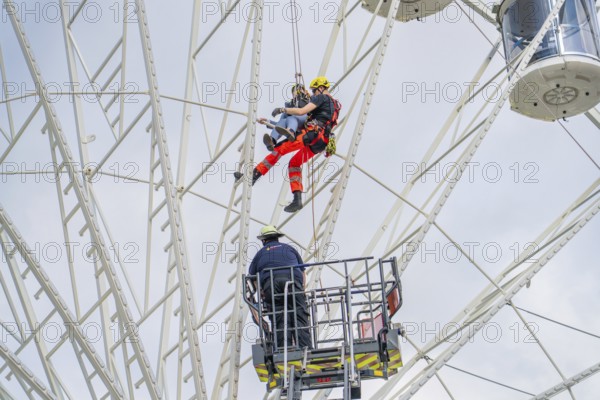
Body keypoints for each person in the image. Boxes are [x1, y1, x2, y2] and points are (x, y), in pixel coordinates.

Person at [237, 76, 341, 213]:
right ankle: (297, 199)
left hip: (311, 135)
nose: (313, 94)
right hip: (321, 142)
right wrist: (269, 123)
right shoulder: (336, 104)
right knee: (294, 164)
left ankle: (253, 177)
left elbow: (301, 112)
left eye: (314, 91)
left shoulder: (321, 98)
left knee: (278, 150)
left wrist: (282, 110)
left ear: (321, 88)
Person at [248, 225, 312, 350]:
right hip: (293, 281)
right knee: (299, 315)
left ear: (263, 240)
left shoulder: (260, 254)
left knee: (279, 319)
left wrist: (261, 291)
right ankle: (306, 349)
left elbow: (253, 277)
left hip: (271, 285)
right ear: (277, 238)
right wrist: (302, 291)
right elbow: (303, 272)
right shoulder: (289, 249)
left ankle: (283, 350)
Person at [257, 84, 310, 151]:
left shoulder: (310, 101)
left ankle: (290, 131)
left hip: (305, 118)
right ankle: (272, 140)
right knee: (283, 121)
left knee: (292, 117)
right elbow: (280, 126)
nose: (297, 92)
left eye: (299, 90)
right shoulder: (289, 108)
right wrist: (267, 122)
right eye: (295, 91)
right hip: (295, 124)